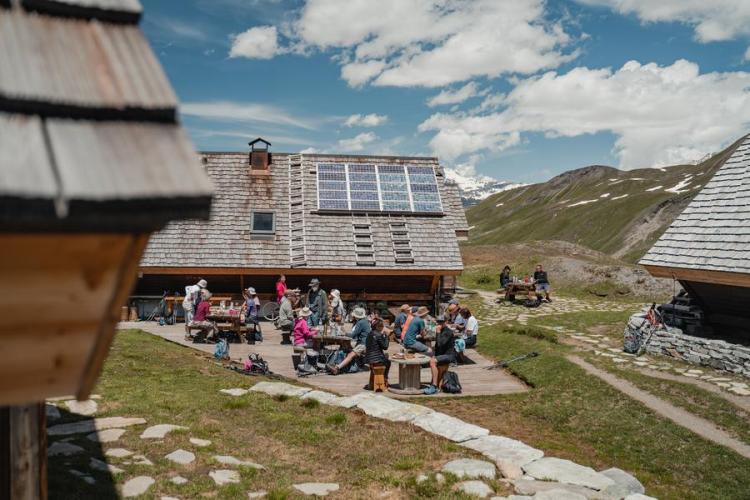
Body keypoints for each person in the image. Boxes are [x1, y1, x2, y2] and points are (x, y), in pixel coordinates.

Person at [327, 306, 370, 375]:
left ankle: (337, 368)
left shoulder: (360, 322)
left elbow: (353, 335)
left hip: (363, 344)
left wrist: (344, 333)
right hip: (366, 343)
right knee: (348, 349)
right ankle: (343, 366)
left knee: (350, 355)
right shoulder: (365, 321)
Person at [424, 316, 458, 395]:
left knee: (432, 361)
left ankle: (434, 386)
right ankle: (434, 384)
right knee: (432, 358)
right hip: (442, 354)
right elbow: (436, 345)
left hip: (449, 355)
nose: (439, 324)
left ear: (446, 322)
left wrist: (438, 332)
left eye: (441, 322)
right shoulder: (441, 330)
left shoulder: (448, 332)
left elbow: (440, 344)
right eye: (438, 322)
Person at [364, 318, 390, 389]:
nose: (382, 328)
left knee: (386, 359)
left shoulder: (370, 333)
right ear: (377, 327)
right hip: (376, 359)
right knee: (388, 362)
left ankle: (373, 383)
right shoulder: (378, 335)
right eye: (381, 326)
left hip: (369, 358)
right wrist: (387, 336)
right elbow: (385, 347)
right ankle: (385, 379)